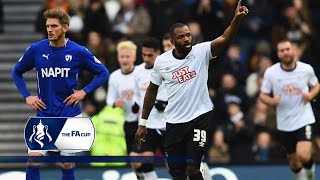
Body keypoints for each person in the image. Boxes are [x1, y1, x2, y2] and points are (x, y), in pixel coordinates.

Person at [135, 1, 249, 179]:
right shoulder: (162, 62)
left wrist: (236, 19)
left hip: (199, 118)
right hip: (173, 122)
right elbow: (151, 91)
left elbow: (225, 38)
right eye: (181, 37)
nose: (187, 39)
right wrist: (143, 123)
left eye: (188, 35)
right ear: (172, 41)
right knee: (176, 173)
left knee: (193, 169)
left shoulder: (201, 51)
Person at [11, 8, 109, 180]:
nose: (49, 29)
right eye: (48, 26)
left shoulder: (78, 51)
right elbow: (16, 71)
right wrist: (27, 95)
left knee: (67, 164)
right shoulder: (36, 49)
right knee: (33, 161)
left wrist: (84, 91)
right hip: (44, 115)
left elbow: (103, 73)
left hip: (69, 115)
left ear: (65, 27)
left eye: (54, 26)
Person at [259, 39, 319, 180]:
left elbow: (316, 86)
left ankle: (310, 177)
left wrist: (310, 95)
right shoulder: (271, 73)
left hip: (304, 118)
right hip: (284, 123)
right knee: (294, 162)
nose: (285, 52)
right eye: (282, 50)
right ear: (278, 54)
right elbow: (262, 95)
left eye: (288, 49)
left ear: (293, 51)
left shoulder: (306, 69)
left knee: (303, 155)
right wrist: (272, 101)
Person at [106, 40, 141, 178]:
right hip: (129, 122)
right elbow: (109, 100)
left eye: (128, 56)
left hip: (146, 121)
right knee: (134, 161)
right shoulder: (114, 77)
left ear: (134, 57)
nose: (125, 60)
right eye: (122, 56)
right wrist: (116, 103)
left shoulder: (141, 72)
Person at [132, 37, 166, 179]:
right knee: (140, 161)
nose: (146, 58)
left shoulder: (168, 68)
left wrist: (165, 104)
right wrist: (135, 104)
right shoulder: (137, 71)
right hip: (147, 125)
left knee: (174, 167)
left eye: (150, 55)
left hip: (167, 125)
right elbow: (137, 94)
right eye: (144, 55)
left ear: (158, 53)